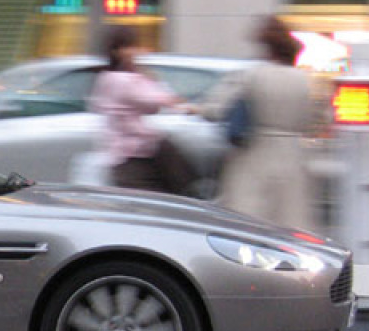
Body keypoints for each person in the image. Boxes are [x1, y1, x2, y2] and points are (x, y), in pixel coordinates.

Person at [203, 15, 321, 230]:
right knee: (290, 222)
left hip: (253, 155)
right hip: (292, 157)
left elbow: (214, 109)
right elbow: (312, 120)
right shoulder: (303, 80)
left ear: (266, 47)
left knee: (248, 223)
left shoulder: (251, 74)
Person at [88, 25, 196, 194]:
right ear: (116, 51)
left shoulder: (109, 78)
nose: (134, 52)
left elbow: (150, 107)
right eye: (129, 47)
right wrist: (174, 102)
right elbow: (151, 99)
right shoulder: (120, 80)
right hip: (130, 154)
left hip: (136, 152)